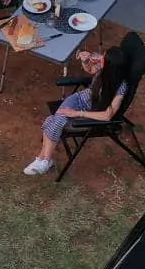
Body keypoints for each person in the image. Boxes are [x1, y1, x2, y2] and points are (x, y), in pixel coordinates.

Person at [24, 45, 129, 175]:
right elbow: (90, 69)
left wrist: (77, 113)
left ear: (111, 65)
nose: (101, 58)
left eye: (104, 57)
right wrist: (85, 61)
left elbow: (107, 116)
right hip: (78, 99)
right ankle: (44, 160)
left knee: (53, 120)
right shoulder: (104, 69)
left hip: (90, 115)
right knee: (58, 119)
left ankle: (43, 160)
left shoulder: (121, 87)